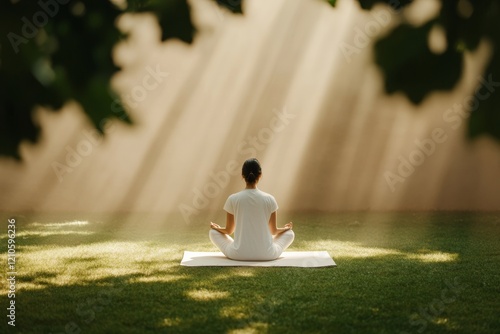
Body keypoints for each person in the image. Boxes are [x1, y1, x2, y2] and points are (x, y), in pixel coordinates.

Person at [209, 158, 295, 260]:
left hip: (238, 254)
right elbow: (273, 231)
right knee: (290, 233)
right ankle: (263, 241)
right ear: (260, 175)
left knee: (212, 233)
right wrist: (285, 229)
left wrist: (216, 228)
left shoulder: (233, 198)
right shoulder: (270, 199)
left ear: (242, 176)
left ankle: (256, 242)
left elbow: (229, 230)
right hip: (267, 254)